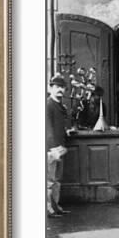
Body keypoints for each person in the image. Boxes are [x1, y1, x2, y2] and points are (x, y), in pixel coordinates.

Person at [46, 75, 73, 218]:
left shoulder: (59, 105)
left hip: (60, 146)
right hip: (51, 148)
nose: (60, 90)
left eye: (62, 87)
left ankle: (55, 207)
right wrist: (52, 148)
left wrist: (66, 131)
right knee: (49, 181)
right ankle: (48, 209)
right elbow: (47, 128)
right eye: (56, 87)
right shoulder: (48, 104)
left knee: (56, 180)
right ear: (50, 88)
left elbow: (58, 126)